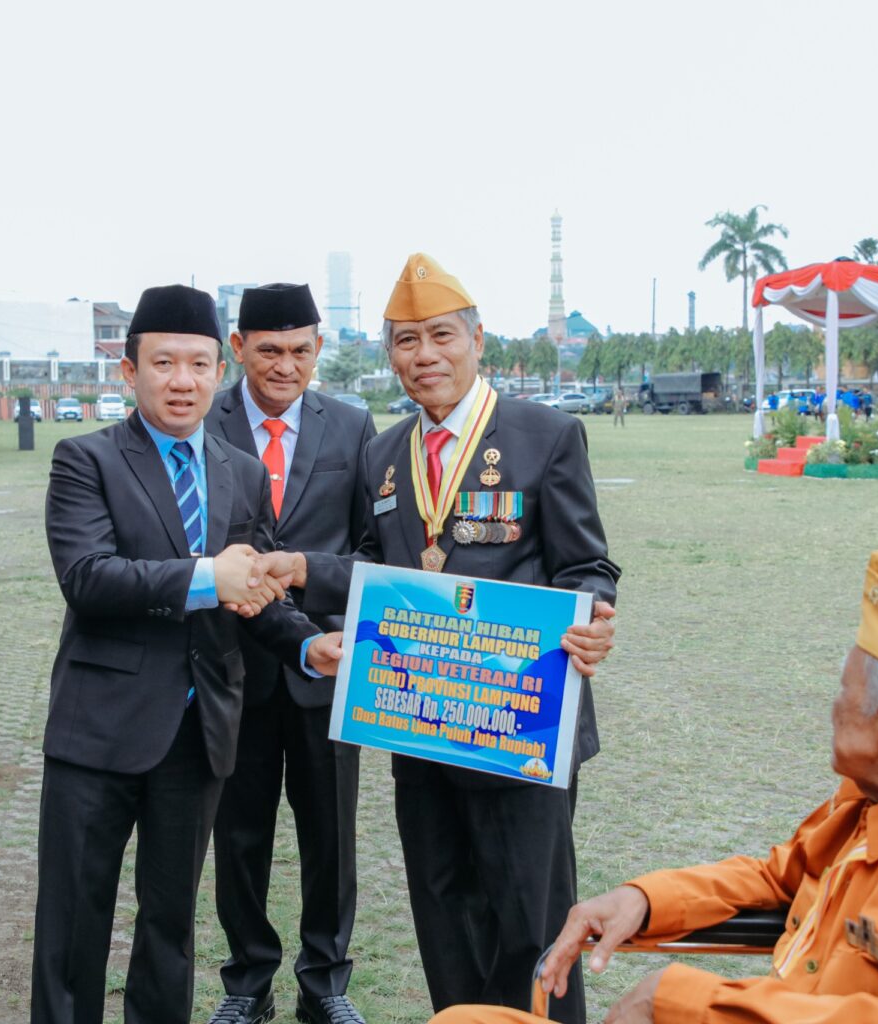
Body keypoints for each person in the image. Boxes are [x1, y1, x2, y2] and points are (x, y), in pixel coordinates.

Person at [429, 550, 878, 1024]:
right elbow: (776, 878)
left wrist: (682, 1000)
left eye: (845, 694)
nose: (832, 707)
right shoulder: (876, 804)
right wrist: (642, 899)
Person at [292, 254, 619, 1022]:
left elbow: (586, 564)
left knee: (533, 927)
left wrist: (593, 614)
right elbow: (373, 564)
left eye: (441, 336)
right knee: (444, 919)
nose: (425, 355)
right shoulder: (383, 453)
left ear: (477, 340)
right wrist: (311, 584)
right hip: (421, 727)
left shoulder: (546, 435)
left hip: (521, 727)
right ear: (390, 356)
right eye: (406, 341)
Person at [32, 284, 344, 1024]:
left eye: (199, 364)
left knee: (170, 924)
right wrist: (208, 577)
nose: (183, 381)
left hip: (198, 733)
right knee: (73, 922)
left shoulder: (239, 470)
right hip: (100, 729)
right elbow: (88, 578)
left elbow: (257, 587)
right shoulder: (86, 460)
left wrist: (308, 646)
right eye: (164, 363)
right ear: (129, 371)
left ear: (218, 370)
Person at [203, 284, 375, 1024]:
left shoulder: (354, 426)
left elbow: (370, 547)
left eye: (301, 351)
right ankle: (247, 984)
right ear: (238, 348)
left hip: (328, 667)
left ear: (319, 349)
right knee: (238, 834)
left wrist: (310, 586)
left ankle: (326, 985)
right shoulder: (201, 421)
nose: (285, 366)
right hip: (229, 665)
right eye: (269, 350)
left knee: (330, 836)